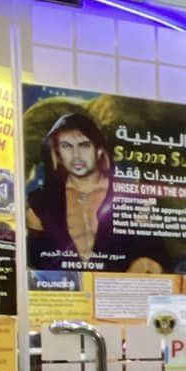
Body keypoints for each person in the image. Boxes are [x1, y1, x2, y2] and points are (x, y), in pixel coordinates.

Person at [25, 109, 115, 265]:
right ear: (57, 153)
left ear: (99, 150)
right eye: (66, 146)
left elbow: (150, 253)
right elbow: (36, 263)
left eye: (84, 145)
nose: (76, 155)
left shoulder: (127, 196)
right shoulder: (40, 204)